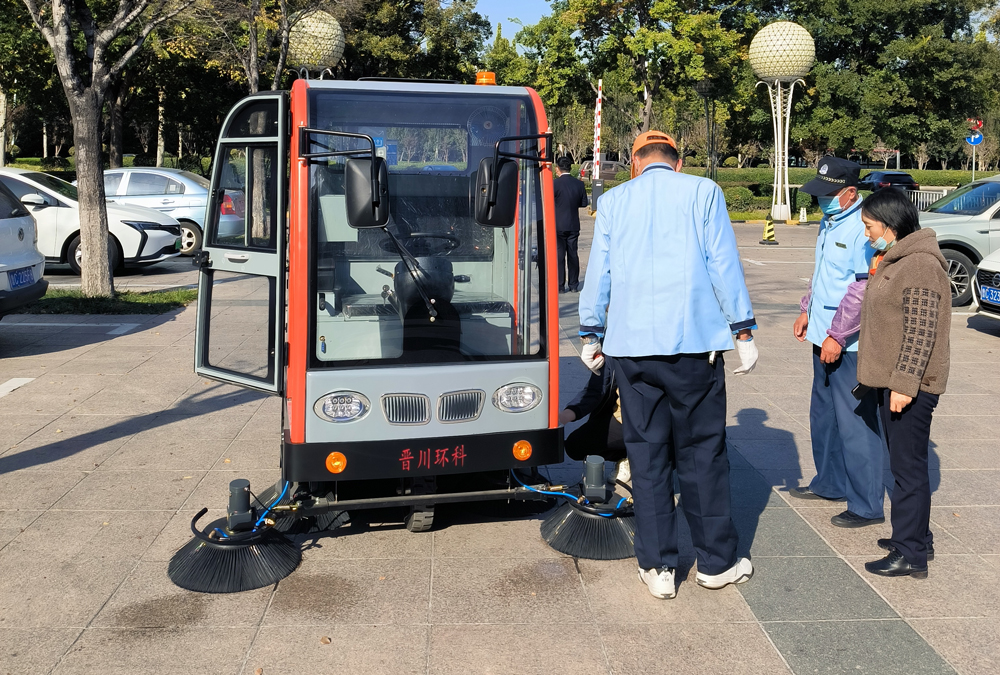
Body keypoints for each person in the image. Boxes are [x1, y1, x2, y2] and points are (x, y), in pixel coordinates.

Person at [578, 130, 759, 600]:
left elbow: (601, 270)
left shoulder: (615, 202)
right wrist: (742, 329)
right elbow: (723, 263)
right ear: (677, 163)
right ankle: (716, 563)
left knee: (647, 454)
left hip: (632, 350)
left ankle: (658, 566)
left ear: (636, 164)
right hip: (693, 347)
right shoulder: (704, 192)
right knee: (703, 453)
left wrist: (590, 331)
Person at [856, 188, 950, 578]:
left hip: (910, 384)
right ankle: (917, 537)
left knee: (907, 471)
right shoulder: (898, 258)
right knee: (906, 465)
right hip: (894, 380)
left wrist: (904, 384)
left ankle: (909, 552)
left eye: (870, 226)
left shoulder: (920, 266)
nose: (867, 234)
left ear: (892, 226)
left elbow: (920, 333)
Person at [791, 157, 886, 529]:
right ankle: (829, 482)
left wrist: (837, 335)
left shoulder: (867, 227)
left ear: (850, 192)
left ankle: (866, 505)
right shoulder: (831, 221)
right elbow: (823, 274)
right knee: (824, 416)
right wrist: (807, 311)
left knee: (856, 423)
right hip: (822, 333)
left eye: (828, 195)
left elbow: (864, 288)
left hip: (848, 343)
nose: (821, 201)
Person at [553, 156, 589, 292]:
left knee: (559, 255)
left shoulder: (554, 184)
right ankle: (573, 285)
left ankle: (560, 286)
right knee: (573, 254)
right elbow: (584, 203)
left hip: (558, 225)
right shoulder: (579, 184)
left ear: (558, 168)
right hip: (574, 224)